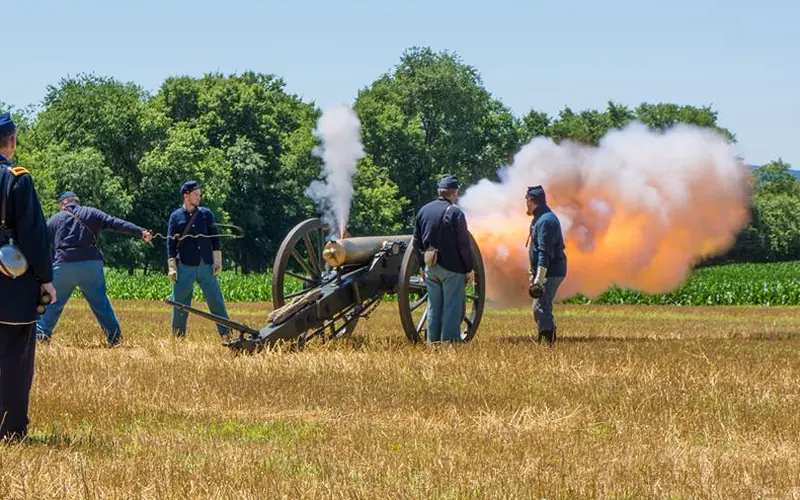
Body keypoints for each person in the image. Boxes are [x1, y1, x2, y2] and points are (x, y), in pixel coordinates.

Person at [0, 112, 56, 441]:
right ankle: (10, 429)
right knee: (15, 359)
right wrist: (47, 279)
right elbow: (35, 236)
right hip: (11, 285)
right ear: (12, 141)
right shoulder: (17, 179)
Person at [35, 191, 152, 346]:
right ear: (76, 202)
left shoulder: (54, 220)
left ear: (63, 204)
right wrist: (140, 231)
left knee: (53, 303)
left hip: (63, 265)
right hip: (91, 265)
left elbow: (41, 245)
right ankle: (114, 338)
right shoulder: (91, 212)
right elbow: (115, 223)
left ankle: (42, 335)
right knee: (100, 303)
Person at [412, 174, 474, 343]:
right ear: (454, 193)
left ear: (440, 191)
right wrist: (469, 268)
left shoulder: (423, 211)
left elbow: (416, 243)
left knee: (433, 306)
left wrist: (420, 267)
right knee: (452, 307)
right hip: (452, 269)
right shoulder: (456, 213)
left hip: (430, 267)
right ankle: (449, 343)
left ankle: (433, 342)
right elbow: (464, 245)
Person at [167, 180, 231, 340]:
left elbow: (215, 238)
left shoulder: (206, 213)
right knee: (180, 304)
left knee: (216, 301)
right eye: (196, 194)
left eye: (199, 194)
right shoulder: (175, 217)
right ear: (186, 195)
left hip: (206, 264)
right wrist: (172, 266)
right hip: (185, 265)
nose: (199, 197)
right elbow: (170, 243)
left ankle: (228, 336)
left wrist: (217, 261)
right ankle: (177, 339)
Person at [525, 185, 567, 345]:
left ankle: (547, 340)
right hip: (548, 270)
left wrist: (539, 278)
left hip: (551, 270)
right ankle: (547, 335)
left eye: (527, 200)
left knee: (541, 306)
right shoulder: (540, 218)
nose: (526, 204)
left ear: (530, 200)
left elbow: (545, 252)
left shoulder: (546, 221)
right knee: (541, 306)